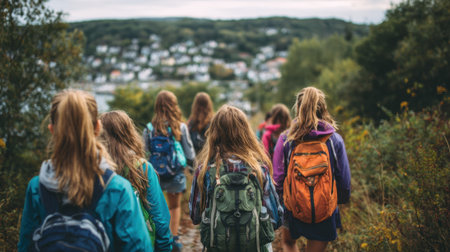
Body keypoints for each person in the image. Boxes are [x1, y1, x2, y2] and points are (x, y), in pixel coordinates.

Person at [18, 89, 152, 252]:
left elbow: (26, 247)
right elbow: (139, 248)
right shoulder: (118, 189)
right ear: (97, 128)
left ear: (52, 129)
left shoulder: (37, 188)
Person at [189, 105, 283, 252]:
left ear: (214, 134)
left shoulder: (205, 171)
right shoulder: (259, 170)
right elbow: (276, 218)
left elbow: (195, 216)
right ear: (246, 133)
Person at [272, 87, 351, 252]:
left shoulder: (286, 139)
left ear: (298, 108)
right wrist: (339, 200)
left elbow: (278, 178)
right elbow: (343, 178)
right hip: (325, 208)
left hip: (293, 207)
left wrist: (281, 203)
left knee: (288, 243)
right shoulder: (334, 140)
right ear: (323, 108)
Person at [99, 110, 172, 251]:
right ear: (128, 133)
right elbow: (159, 217)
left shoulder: (95, 170)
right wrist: (164, 247)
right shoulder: (142, 168)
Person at [143, 90, 196, 252]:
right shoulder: (179, 127)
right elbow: (189, 152)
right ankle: (174, 239)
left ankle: (161, 238)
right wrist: (192, 166)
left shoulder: (149, 128)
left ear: (156, 107)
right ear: (174, 106)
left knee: (158, 206)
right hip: (175, 173)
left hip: (155, 174)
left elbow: (144, 152)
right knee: (174, 207)